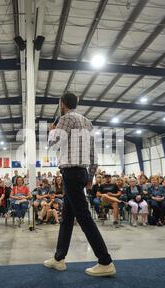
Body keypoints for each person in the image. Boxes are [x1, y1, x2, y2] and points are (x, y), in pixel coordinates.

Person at [44, 92, 115, 277]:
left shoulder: (65, 118)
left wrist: (51, 130)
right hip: (81, 173)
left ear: (62, 104)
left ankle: (105, 261)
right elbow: (93, 154)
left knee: (83, 217)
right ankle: (59, 258)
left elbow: (53, 144)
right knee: (67, 218)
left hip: (71, 173)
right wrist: (90, 177)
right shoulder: (87, 122)